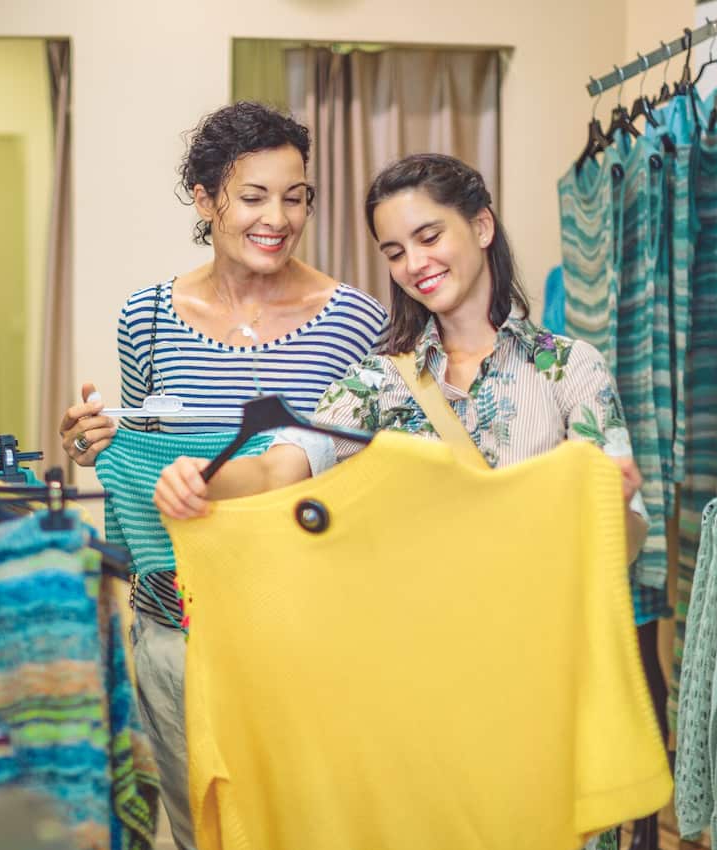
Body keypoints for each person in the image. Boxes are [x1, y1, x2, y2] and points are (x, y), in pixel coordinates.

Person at [57, 101, 388, 850]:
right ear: (205, 201)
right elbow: (134, 448)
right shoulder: (145, 316)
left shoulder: (356, 322)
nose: (279, 216)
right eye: (254, 195)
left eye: (296, 195)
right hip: (173, 631)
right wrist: (91, 443)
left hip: (307, 634)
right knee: (200, 831)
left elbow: (365, 480)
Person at [154, 152, 649, 572]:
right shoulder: (377, 382)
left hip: (539, 654)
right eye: (395, 252)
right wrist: (203, 477)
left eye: (429, 238)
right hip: (414, 655)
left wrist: (618, 503)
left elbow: (620, 549)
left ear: (481, 227)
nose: (413, 264)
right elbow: (277, 471)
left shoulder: (569, 368)